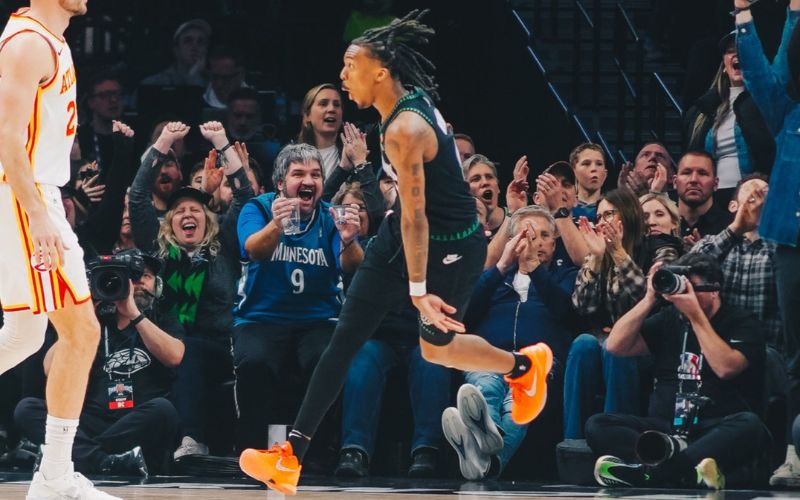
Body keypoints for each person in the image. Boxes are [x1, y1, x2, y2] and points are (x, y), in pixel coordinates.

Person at [238, 11, 552, 495]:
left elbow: (418, 217)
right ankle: (290, 456)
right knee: (345, 337)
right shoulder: (403, 103)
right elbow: (407, 215)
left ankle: (525, 368)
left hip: (450, 245)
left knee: (435, 349)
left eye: (351, 65)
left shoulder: (405, 127)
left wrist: (419, 290)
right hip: (399, 237)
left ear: (381, 72)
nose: (343, 75)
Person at [0, 1, 119, 498]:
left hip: (34, 193)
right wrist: (36, 213)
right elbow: (6, 137)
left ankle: (54, 476)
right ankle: (53, 476)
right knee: (82, 331)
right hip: (22, 196)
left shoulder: (53, 39)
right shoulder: (28, 43)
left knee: (24, 337)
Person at [587, 253, 768, 490]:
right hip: (665, 431)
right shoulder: (669, 319)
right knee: (597, 424)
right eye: (682, 286)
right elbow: (615, 346)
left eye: (692, 288)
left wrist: (695, 316)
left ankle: (649, 474)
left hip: (712, 428)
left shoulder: (742, 322)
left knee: (750, 426)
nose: (683, 295)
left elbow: (725, 368)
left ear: (714, 290)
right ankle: (686, 472)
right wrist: (649, 299)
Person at [129, 121, 253, 459]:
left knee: (189, 351)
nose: (187, 214)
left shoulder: (223, 245)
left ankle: (192, 439)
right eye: (180, 211)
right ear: (169, 223)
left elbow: (244, 195)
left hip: (217, 348)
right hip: (163, 343)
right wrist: (163, 143)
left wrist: (222, 142)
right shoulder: (158, 251)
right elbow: (138, 195)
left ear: (207, 219)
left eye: (195, 210)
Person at [232, 143, 364, 451]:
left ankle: (316, 454)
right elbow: (254, 250)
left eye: (316, 175)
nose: (308, 180)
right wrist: (276, 224)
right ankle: (254, 451)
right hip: (260, 318)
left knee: (325, 362)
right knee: (256, 364)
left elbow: (351, 265)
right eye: (299, 174)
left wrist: (349, 240)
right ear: (281, 183)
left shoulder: (330, 215)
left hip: (318, 319)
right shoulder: (258, 208)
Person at [14, 249, 184, 477]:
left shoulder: (162, 320)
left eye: (145, 276)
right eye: (131, 277)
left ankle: (78, 455)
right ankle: (106, 462)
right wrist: (84, 315)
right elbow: (50, 368)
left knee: (164, 410)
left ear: (158, 285)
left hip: (135, 420)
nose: (138, 283)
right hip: (89, 420)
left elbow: (174, 356)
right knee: (27, 409)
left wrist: (134, 314)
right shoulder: (91, 324)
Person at [447, 206, 577, 480]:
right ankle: (490, 453)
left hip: (537, 361)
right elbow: (465, 313)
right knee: (485, 387)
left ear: (554, 245)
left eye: (544, 236)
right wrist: (501, 267)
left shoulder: (565, 276)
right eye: (528, 234)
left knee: (518, 402)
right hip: (490, 355)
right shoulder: (496, 277)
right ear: (512, 242)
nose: (536, 242)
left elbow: (565, 311)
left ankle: (480, 447)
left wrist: (535, 270)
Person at [736, 0, 800, 486]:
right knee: (797, 356)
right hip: (790, 243)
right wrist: (744, 13)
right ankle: (795, 451)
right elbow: (761, 76)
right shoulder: (788, 113)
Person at [564, 188, 648, 440]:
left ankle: (615, 440)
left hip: (643, 340)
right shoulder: (597, 252)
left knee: (616, 348)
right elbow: (582, 306)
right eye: (598, 217)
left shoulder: (652, 247)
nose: (601, 223)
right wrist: (597, 259)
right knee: (582, 344)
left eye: (609, 214)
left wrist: (619, 254)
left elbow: (647, 298)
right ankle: (572, 442)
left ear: (628, 214)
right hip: (602, 338)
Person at [673, 150, 733, 250]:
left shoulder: (730, 227)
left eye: (702, 173)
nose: (693, 180)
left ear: (716, 184)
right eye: (686, 173)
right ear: (675, 182)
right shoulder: (660, 222)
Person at [140, 18, 211, 88]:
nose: (195, 47)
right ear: (176, 50)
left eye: (200, 42)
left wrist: (195, 77)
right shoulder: (153, 83)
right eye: (188, 41)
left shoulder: (213, 83)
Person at [463, 154, 506, 240]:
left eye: (489, 177)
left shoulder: (516, 218)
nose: (485, 182)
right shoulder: (460, 231)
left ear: (497, 187)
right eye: (476, 179)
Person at [569, 143, 608, 220]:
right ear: (573, 172)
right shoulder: (564, 208)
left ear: (605, 174)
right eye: (586, 163)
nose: (594, 168)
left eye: (599, 164)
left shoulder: (614, 209)